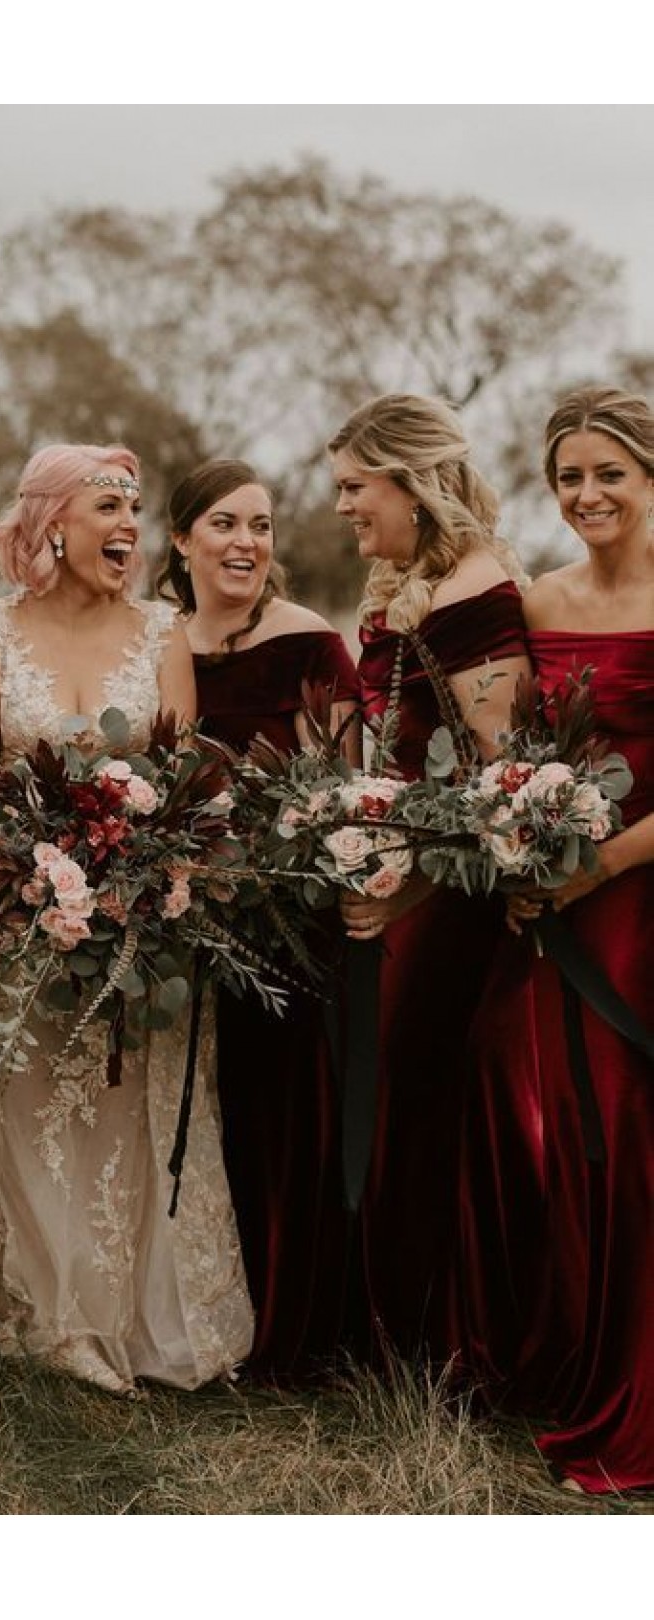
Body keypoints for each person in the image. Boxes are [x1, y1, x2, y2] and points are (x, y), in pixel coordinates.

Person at [0, 442, 253, 1394]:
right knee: (30, 1097)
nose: (127, 526)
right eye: (106, 507)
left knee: (124, 1099)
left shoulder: (163, 631)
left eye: (133, 508)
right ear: (52, 525)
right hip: (20, 907)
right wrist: (43, 864)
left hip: (134, 912)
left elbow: (183, 774)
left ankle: (128, 1311)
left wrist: (135, 866)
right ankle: (49, 1311)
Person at [466, 386, 653, 1492]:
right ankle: (583, 1364)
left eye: (610, 474)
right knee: (565, 1121)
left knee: (635, 1131)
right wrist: (524, 852)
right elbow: (513, 748)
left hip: (636, 895)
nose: (586, 495)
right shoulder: (539, 600)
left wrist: (605, 863)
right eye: (567, 478)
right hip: (562, 906)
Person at [327, 393, 531, 1366]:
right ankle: (395, 1332)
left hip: (455, 905)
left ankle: (443, 1347)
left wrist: (404, 883)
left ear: (412, 482)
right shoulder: (418, 577)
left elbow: (506, 783)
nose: (341, 508)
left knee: (420, 1091)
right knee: (394, 1091)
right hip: (408, 884)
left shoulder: (474, 595)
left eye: (354, 487)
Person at [158, 458, 360, 1382]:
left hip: (293, 919)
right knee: (205, 1112)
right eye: (227, 525)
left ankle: (299, 1325)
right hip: (186, 916)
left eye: (263, 526)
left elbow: (347, 793)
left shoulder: (310, 641)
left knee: (284, 1110)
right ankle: (206, 1310)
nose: (248, 543)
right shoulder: (161, 645)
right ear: (181, 539)